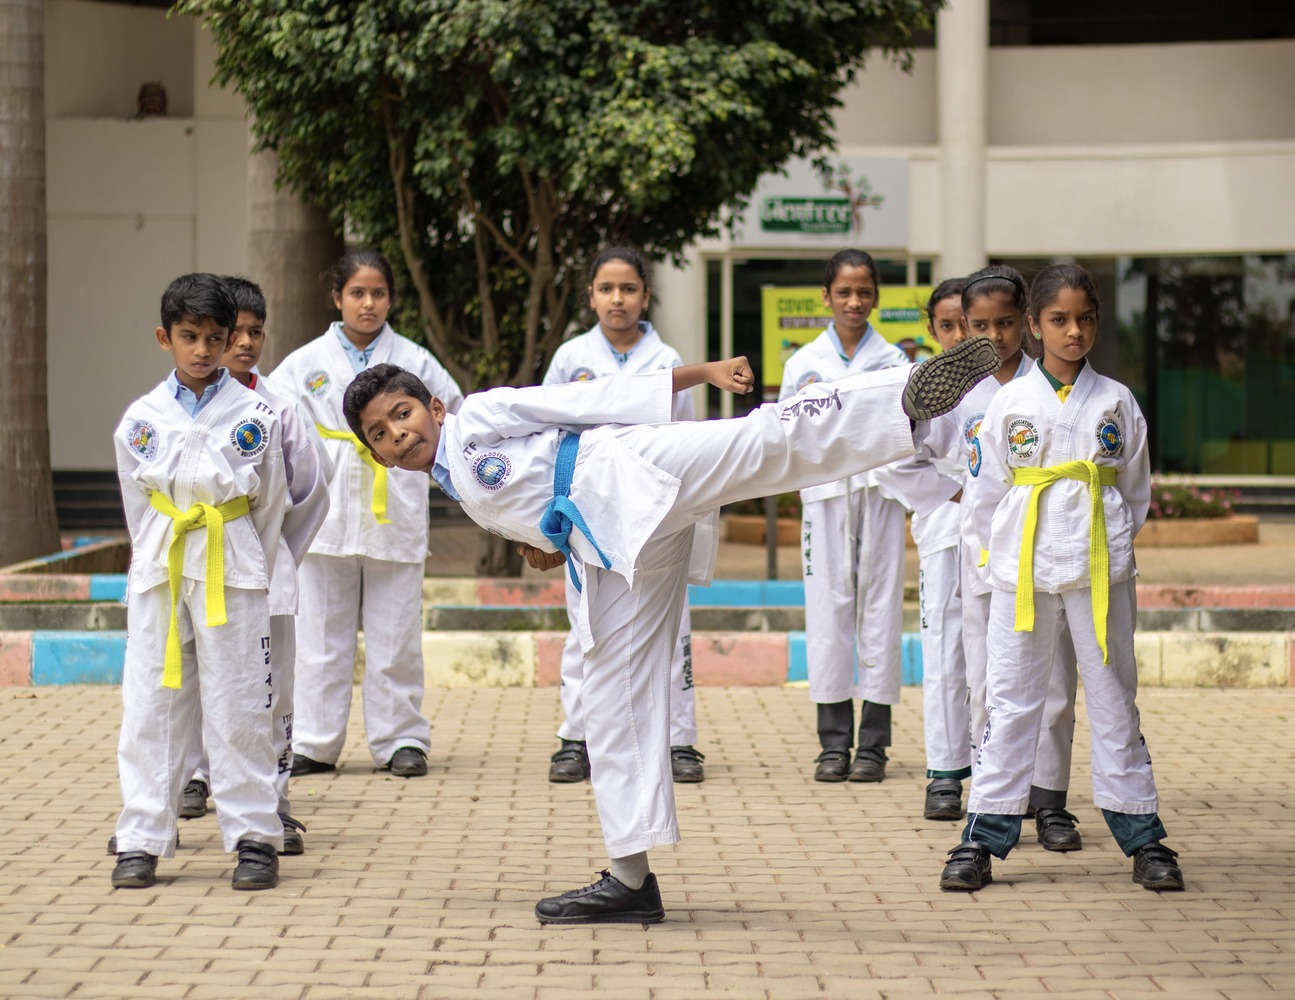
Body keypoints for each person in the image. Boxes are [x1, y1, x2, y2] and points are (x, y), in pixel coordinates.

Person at [342, 334, 1000, 923]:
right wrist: (542, 538)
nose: (396, 434)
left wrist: (700, 373)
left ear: (432, 403)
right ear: (375, 455)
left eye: (401, 414)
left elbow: (590, 399)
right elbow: (537, 507)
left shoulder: (476, 416)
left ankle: (900, 399)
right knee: (609, 697)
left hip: (631, 466)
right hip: (618, 542)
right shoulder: (456, 481)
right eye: (379, 433)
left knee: (761, 440)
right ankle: (630, 877)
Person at [940, 263, 1184, 892]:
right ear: (1034, 325)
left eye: (1085, 318)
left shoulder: (1116, 400)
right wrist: (991, 567)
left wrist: (1113, 544)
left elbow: (1134, 491)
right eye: (1058, 320)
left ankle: (1142, 836)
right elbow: (984, 494)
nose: (1074, 331)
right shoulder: (1007, 405)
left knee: (1111, 695)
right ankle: (983, 836)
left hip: (1099, 569)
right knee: (1012, 699)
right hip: (1020, 572)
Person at [886, 266, 1084, 840]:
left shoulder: (1054, 381)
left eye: (1004, 324)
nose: (993, 337)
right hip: (977, 549)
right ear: (962, 325)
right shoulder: (949, 387)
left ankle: (1048, 800)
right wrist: (959, 491)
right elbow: (901, 455)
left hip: (1049, 547)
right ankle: (992, 794)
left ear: (1025, 322)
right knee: (983, 672)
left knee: (1052, 677)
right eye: (978, 325)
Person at [110, 273, 289, 890]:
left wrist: (250, 565)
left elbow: (271, 508)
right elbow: (138, 506)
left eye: (217, 337)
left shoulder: (255, 415)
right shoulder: (141, 419)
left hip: (230, 562)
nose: (204, 350)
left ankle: (254, 835)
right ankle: (141, 836)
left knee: (239, 699)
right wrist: (150, 560)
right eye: (190, 336)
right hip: (162, 563)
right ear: (165, 337)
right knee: (151, 702)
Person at [268, 249, 463, 778]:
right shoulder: (303, 363)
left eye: (378, 293)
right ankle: (314, 740)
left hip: (395, 510)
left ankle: (401, 737)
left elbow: (453, 412)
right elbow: (275, 428)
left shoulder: (416, 360)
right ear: (337, 298)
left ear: (391, 299)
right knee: (319, 640)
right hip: (324, 518)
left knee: (395, 635)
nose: (368, 303)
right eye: (357, 292)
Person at [176, 278, 331, 854]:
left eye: (253, 332)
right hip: (194, 571)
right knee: (194, 679)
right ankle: (194, 776)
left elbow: (312, 491)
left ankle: (274, 804)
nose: (242, 342)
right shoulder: (169, 407)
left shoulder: (280, 405)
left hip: (263, 575)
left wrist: (273, 553)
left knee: (269, 690)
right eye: (231, 332)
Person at [542, 247, 705, 784]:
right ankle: (576, 737)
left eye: (628, 288)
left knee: (670, 623)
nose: (618, 299)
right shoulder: (570, 358)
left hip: (656, 506)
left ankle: (679, 739)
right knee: (585, 621)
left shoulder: (667, 359)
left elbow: (688, 440)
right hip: (587, 506)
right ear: (590, 295)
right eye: (607, 288)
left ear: (646, 296)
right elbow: (547, 431)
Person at [779, 249, 910, 783]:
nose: (854, 302)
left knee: (879, 610)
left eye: (864, 292)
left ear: (876, 296)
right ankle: (833, 743)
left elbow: (909, 431)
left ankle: (874, 745)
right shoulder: (802, 364)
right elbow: (784, 433)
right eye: (844, 292)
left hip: (881, 495)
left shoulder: (895, 363)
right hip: (827, 498)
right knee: (827, 613)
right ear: (825, 297)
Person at [875, 280, 971, 818]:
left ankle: (1009, 773)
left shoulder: (1016, 383)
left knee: (1006, 658)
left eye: (970, 324)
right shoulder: (920, 387)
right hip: (946, 528)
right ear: (931, 331)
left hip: (1009, 532)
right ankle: (946, 771)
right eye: (948, 326)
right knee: (944, 652)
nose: (960, 336)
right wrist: (955, 491)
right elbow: (894, 458)